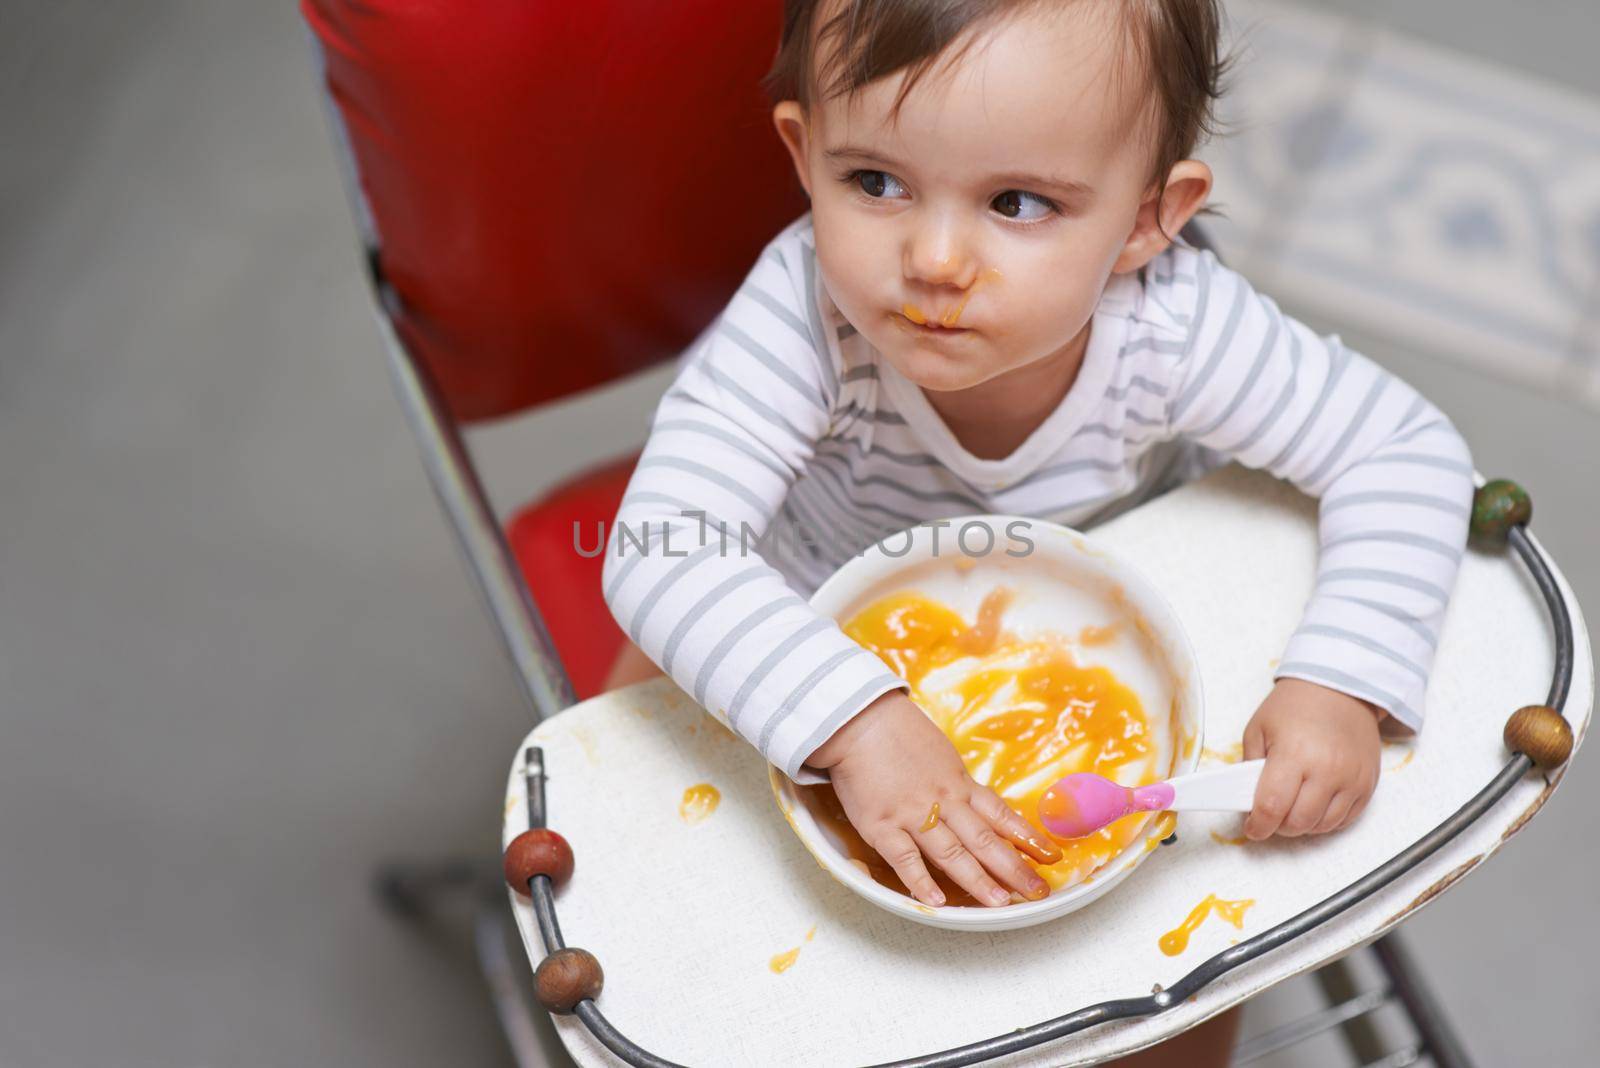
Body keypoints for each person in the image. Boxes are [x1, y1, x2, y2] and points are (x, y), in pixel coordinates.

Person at [602, 1, 1473, 1059]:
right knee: (660, 859)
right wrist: (857, 721)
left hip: (1114, 664)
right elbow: (664, 547)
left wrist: (1338, 679)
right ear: (803, 152)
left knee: (1181, 997)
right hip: (800, 630)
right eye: (873, 182)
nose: (932, 259)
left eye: (1016, 202)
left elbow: (1401, 449)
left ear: (1149, 219)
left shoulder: (1171, 327)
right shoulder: (804, 318)